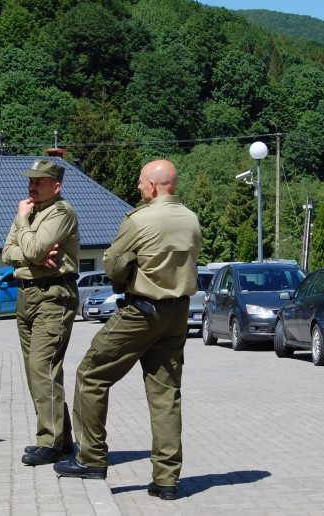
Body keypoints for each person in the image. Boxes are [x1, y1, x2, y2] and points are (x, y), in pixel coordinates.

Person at [54, 160, 202, 502]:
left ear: (153, 186)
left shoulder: (139, 219)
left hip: (142, 311)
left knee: (91, 375)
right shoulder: (191, 219)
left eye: (140, 182)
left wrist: (122, 284)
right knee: (166, 393)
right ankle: (166, 480)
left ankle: (91, 458)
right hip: (178, 313)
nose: (137, 187)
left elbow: (114, 263)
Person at [2, 159, 80, 466]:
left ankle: (49, 442)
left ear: (56, 186)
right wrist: (28, 254)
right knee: (38, 372)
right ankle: (61, 440)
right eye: (30, 180)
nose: (32, 185)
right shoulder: (29, 210)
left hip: (53, 295)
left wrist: (23, 230)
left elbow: (32, 250)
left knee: (41, 367)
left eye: (39, 181)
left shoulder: (61, 213)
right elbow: (7, 251)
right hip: (26, 296)